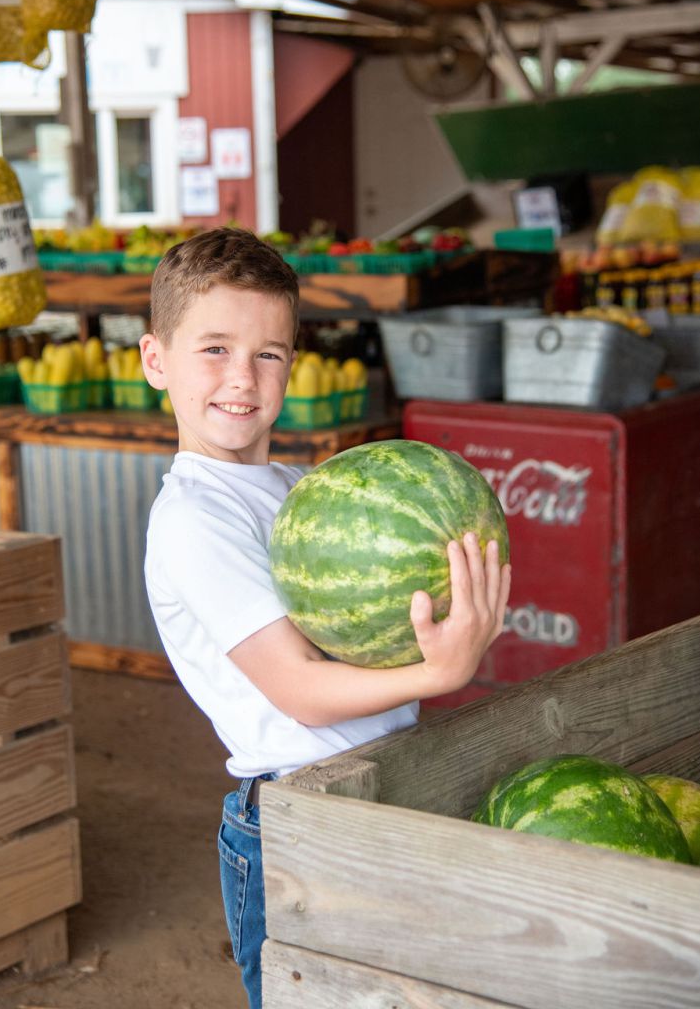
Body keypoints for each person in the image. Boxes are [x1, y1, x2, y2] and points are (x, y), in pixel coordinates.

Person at [140, 227, 511, 1009]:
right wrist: (442, 669)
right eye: (213, 349)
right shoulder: (193, 519)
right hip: (290, 820)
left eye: (267, 354)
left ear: (290, 367)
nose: (241, 377)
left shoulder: (303, 489)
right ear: (154, 360)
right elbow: (300, 690)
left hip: (378, 786)